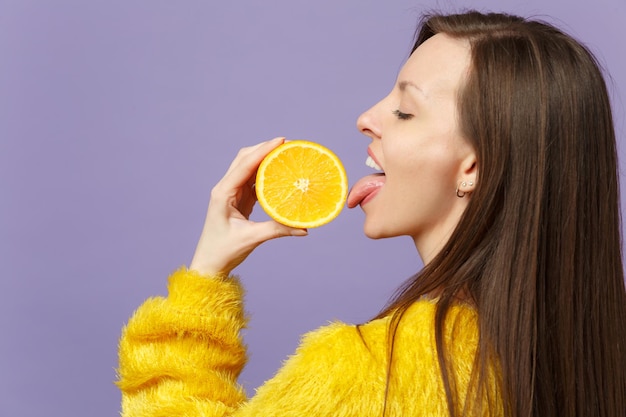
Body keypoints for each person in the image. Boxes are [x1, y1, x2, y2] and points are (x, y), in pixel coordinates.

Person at [116, 11, 626, 417]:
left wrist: (203, 281)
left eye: (404, 111)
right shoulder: (588, 351)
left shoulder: (370, 375)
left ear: (474, 165)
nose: (366, 119)